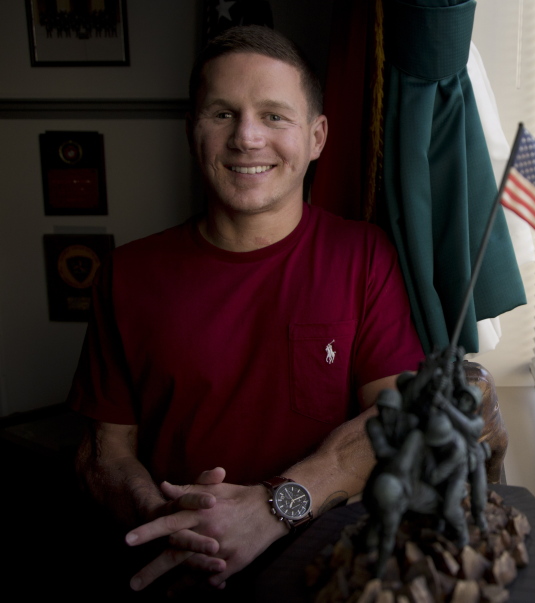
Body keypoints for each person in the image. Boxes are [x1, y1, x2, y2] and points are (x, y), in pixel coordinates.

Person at [69, 25, 424, 594]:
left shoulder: (365, 256)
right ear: (192, 131)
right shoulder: (127, 274)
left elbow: (399, 421)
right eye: (222, 114)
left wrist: (273, 506)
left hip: (326, 577)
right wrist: (177, 525)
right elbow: (101, 452)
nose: (248, 137)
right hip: (172, 572)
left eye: (275, 116)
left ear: (317, 136)